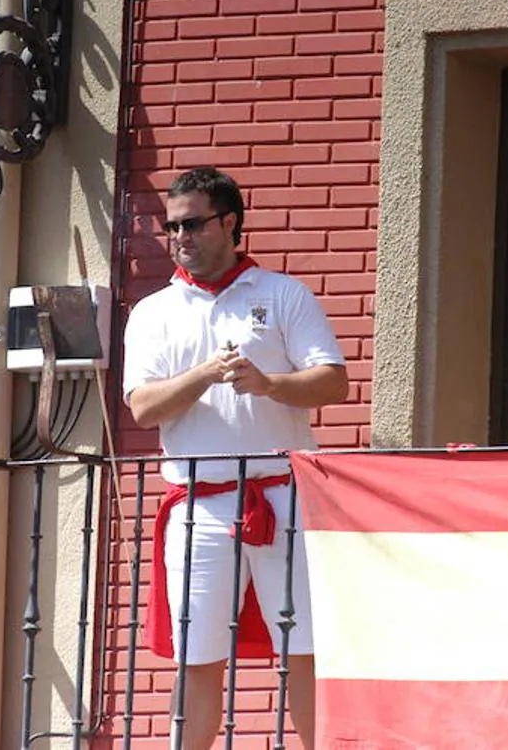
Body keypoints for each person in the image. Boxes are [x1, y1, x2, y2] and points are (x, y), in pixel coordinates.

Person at [121, 166, 349, 748]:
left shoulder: (283, 294)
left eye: (193, 224)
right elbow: (142, 408)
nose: (180, 238)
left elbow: (331, 383)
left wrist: (270, 384)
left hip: (283, 493)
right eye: (173, 226)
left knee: (304, 648)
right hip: (198, 503)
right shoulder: (153, 312)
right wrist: (203, 375)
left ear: (230, 223)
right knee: (196, 657)